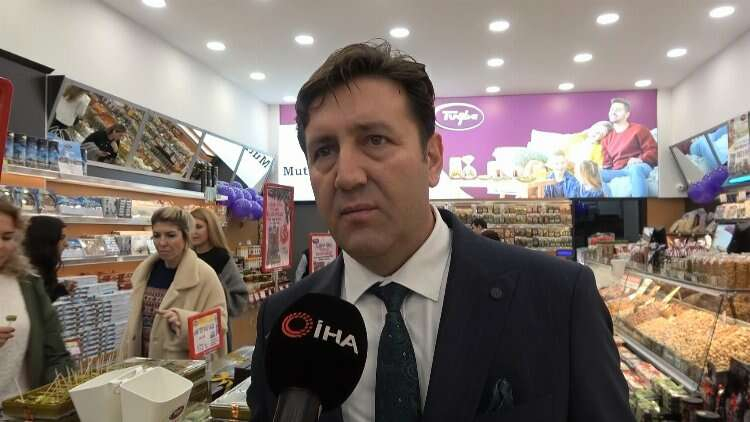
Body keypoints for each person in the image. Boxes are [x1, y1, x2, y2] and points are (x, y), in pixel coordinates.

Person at [247, 40, 632, 422]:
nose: (346, 176)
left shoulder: (559, 299)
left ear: (431, 158)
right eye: (324, 151)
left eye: (375, 140)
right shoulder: (284, 324)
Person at [119, 207, 228, 359]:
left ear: (186, 237)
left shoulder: (204, 275)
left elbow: (219, 327)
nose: (162, 242)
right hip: (141, 365)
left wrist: (184, 321)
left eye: (171, 235)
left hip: (179, 368)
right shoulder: (144, 272)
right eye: (156, 235)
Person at [0, 200, 72, 403]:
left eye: (7, 237)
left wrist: (55, 399)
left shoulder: (28, 283)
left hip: (23, 409)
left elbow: (55, 353)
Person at [191, 207, 249, 351]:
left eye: (198, 227)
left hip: (213, 327)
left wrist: (217, 295)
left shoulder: (222, 258)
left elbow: (240, 296)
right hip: (188, 324)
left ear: (210, 228)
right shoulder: (187, 257)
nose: (193, 231)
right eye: (190, 226)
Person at [600, 98, 658, 197]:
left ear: (627, 114)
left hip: (639, 166)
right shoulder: (606, 139)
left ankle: (640, 204)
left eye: (618, 110)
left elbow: (654, 151)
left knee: (635, 169)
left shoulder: (639, 129)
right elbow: (607, 164)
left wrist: (640, 159)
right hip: (619, 171)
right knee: (596, 174)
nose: (613, 112)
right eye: (612, 109)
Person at [23, 216, 74, 302]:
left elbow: (45, 297)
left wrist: (60, 290)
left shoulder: (46, 266)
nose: (66, 244)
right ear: (46, 240)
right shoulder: (28, 276)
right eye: (61, 238)